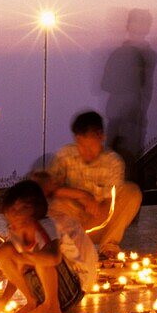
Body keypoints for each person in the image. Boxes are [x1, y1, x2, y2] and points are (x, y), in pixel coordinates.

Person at [49, 111, 142, 260]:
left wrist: (96, 203)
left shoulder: (113, 162)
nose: (87, 152)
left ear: (101, 137)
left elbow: (109, 204)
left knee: (132, 192)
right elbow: (51, 188)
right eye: (81, 146)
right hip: (71, 224)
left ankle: (109, 247)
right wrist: (82, 196)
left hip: (100, 222)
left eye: (91, 146)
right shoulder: (66, 155)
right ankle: (66, 246)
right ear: (76, 139)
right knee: (57, 202)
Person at [0, 179, 83, 313]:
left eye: (22, 208)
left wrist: (26, 257)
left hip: (68, 289)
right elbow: (15, 270)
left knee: (41, 257)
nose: (16, 214)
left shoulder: (46, 225)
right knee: (4, 252)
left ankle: (52, 306)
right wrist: (3, 300)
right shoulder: (15, 231)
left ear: (35, 209)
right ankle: (32, 301)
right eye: (13, 209)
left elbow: (54, 258)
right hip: (39, 291)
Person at [100, 9, 157, 182]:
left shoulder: (148, 55)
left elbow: (107, 84)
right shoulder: (122, 54)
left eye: (144, 23)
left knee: (128, 168)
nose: (141, 27)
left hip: (133, 118)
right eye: (137, 22)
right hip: (120, 118)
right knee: (116, 167)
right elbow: (106, 83)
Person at [29, 170, 97, 292]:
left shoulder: (47, 217)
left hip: (74, 287)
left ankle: (50, 303)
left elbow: (52, 257)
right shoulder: (61, 206)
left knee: (35, 255)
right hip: (87, 279)